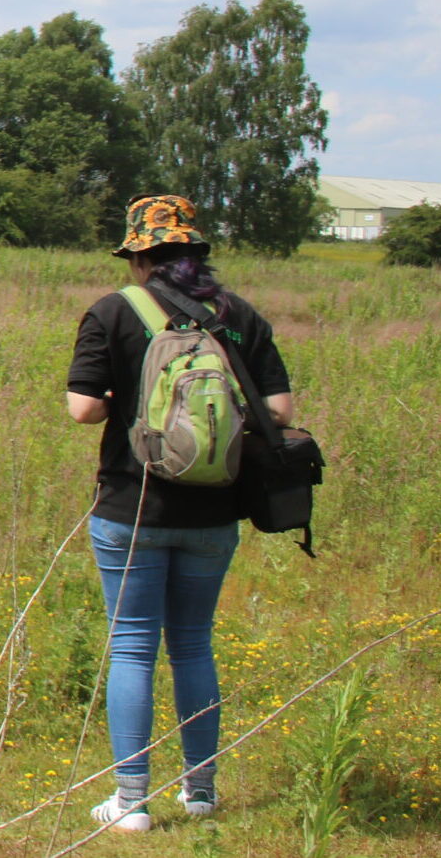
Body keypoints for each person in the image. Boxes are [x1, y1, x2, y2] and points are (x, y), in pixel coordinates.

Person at [67, 195, 293, 832]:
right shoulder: (240, 316)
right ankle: (201, 792)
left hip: (130, 505)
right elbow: (278, 408)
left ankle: (132, 803)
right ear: (195, 253)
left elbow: (82, 410)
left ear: (140, 256)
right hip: (215, 511)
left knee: (134, 647)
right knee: (193, 645)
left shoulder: (114, 311)